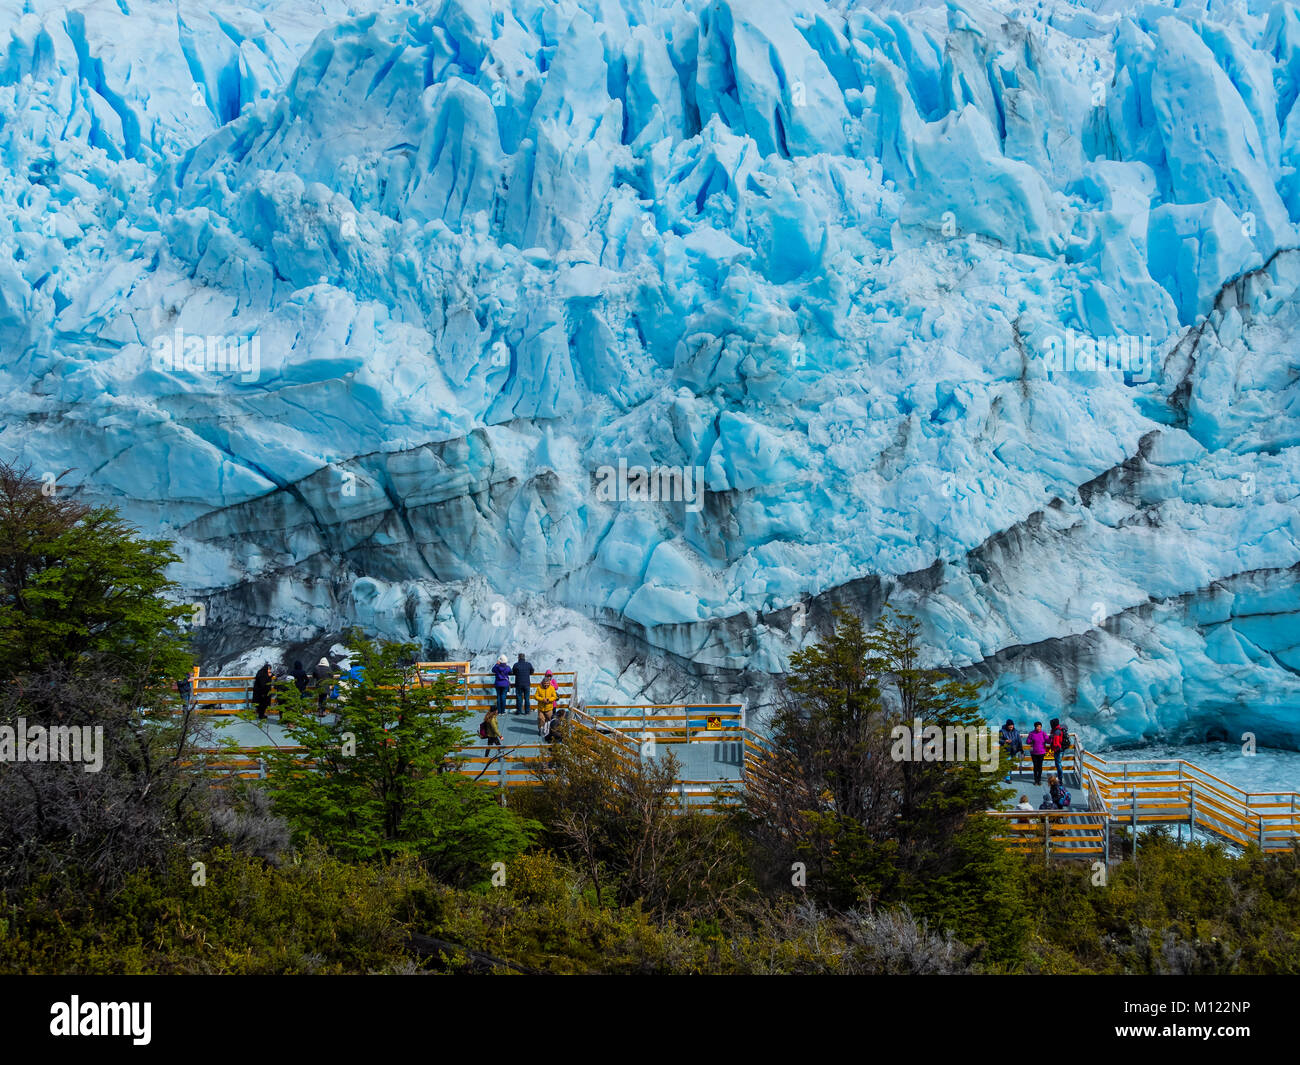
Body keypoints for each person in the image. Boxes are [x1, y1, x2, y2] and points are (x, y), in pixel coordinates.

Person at [535, 670, 557, 738]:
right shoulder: (539, 688)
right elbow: (535, 696)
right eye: (545, 683)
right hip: (541, 708)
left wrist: (549, 700)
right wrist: (542, 699)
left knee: (549, 719)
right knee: (541, 719)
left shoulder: (552, 688)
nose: (546, 685)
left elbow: (555, 696)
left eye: (547, 683)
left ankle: (547, 731)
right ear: (543, 683)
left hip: (549, 708)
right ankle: (541, 730)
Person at [1026, 721, 1047, 786]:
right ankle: (1035, 780)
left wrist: (1052, 737)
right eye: (1038, 726)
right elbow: (1027, 741)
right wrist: (1031, 741)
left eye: (1040, 727)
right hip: (1034, 752)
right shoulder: (1031, 733)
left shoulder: (1043, 733)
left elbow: (1048, 740)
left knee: (1040, 766)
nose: (1039, 728)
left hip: (1041, 752)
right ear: (1035, 727)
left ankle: (1039, 780)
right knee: (1035, 766)